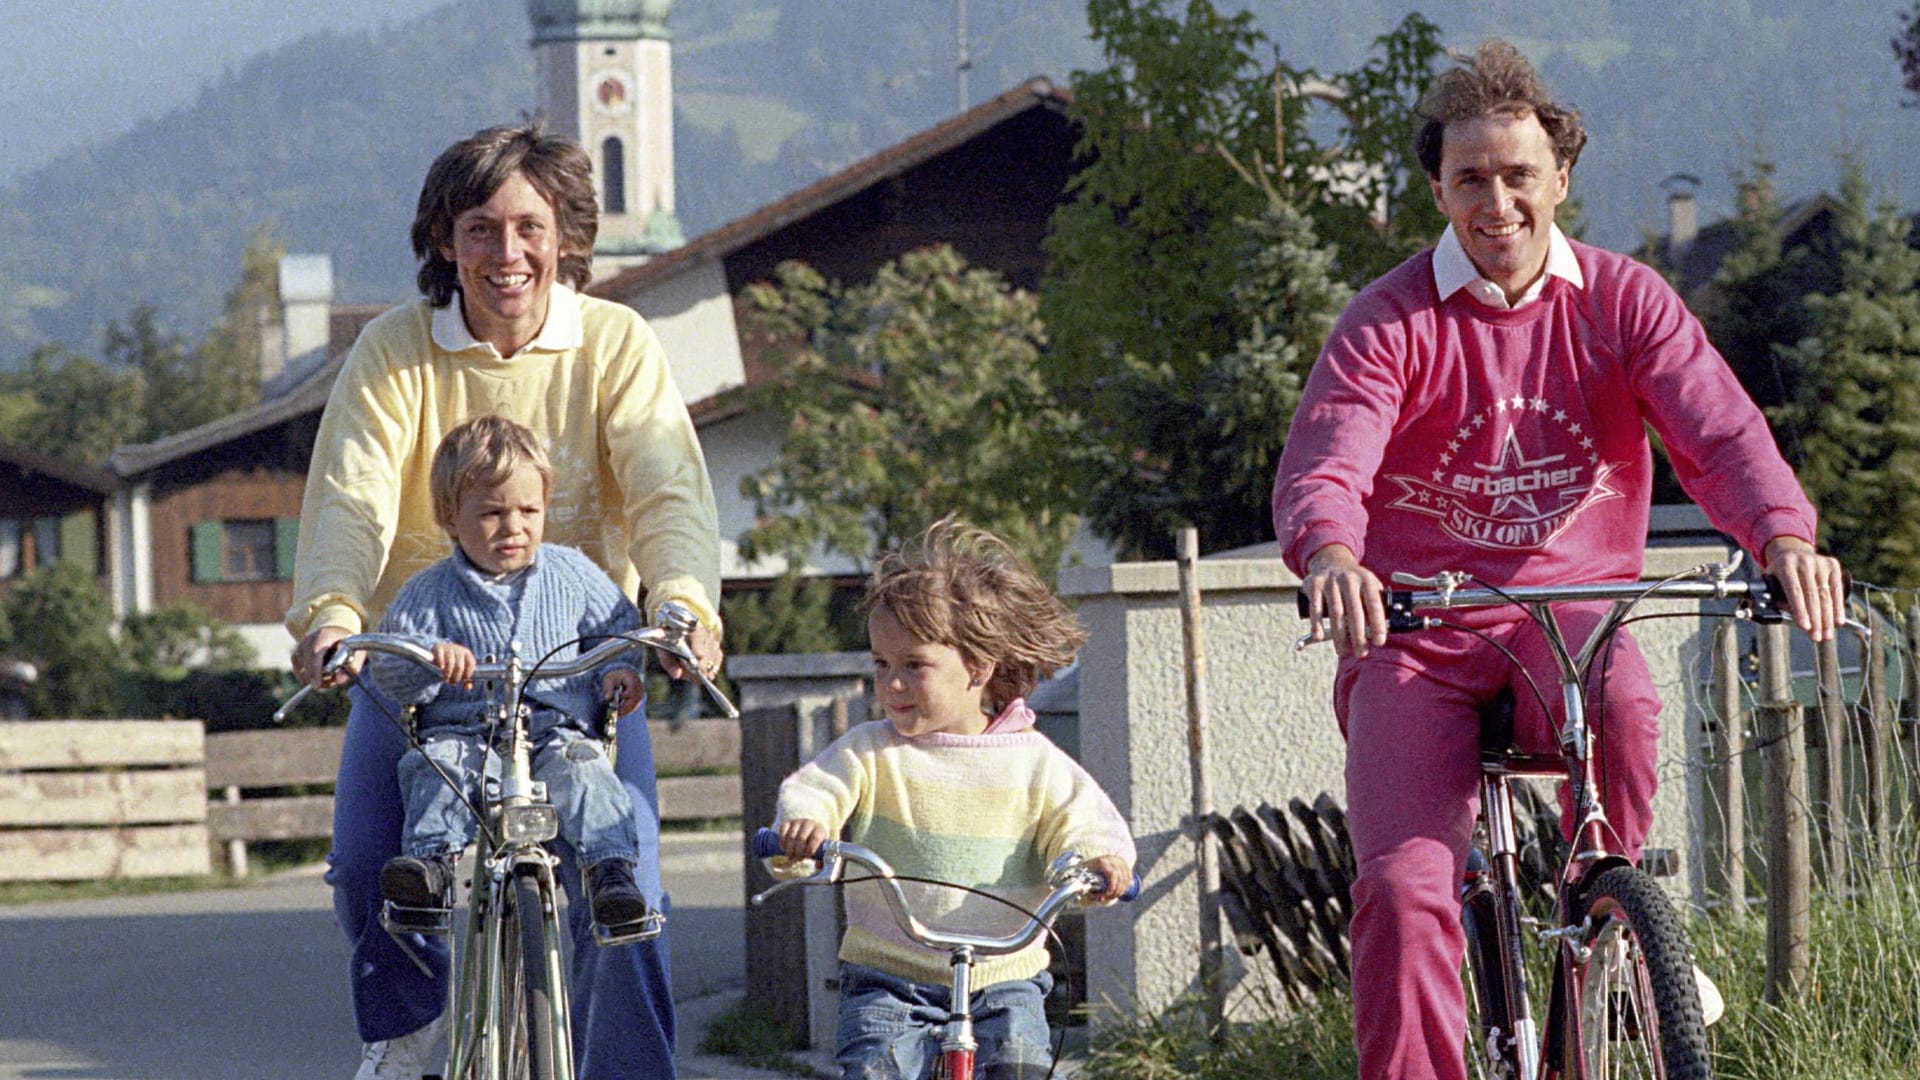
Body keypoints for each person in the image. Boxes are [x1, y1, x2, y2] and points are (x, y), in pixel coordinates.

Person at [1270, 41, 1847, 1080]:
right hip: (1422, 636)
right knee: (1404, 890)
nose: (1497, 203)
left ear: (1562, 177)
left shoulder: (1623, 302)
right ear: (1439, 187)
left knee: (1626, 703)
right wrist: (1333, 554)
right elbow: (1330, 458)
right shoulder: (1389, 322)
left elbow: (1716, 433)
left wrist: (1782, 534)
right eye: (1471, 180)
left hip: (1573, 620)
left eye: (1519, 175)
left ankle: (1613, 940)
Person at [287, 122, 722, 1080]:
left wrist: (685, 607)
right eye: (479, 228)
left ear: (566, 235)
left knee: (630, 887)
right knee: (370, 870)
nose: (507, 253)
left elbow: (665, 491)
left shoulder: (614, 343)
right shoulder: (394, 351)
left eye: (529, 227)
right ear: (444, 241)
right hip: (420, 663)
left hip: (576, 664)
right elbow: (352, 500)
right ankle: (412, 1035)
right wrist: (333, 615)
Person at [771, 519, 1136, 1080]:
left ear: (978, 668)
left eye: (913, 666)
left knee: (1019, 1060)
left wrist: (1096, 863)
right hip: (888, 974)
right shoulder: (871, 750)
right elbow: (816, 789)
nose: (892, 684)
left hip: (1004, 973)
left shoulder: (1031, 759)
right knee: (875, 1066)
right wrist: (806, 828)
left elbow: (1083, 820)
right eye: (881, 665)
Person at [365, 415, 651, 929]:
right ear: (450, 518)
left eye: (529, 510)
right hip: (463, 730)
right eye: (492, 513)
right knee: (440, 770)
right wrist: (431, 658)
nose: (513, 527)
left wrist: (619, 669)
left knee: (586, 770)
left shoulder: (572, 572)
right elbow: (391, 661)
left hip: (556, 730)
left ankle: (612, 871)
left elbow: (617, 628)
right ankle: (431, 867)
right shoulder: (429, 590)